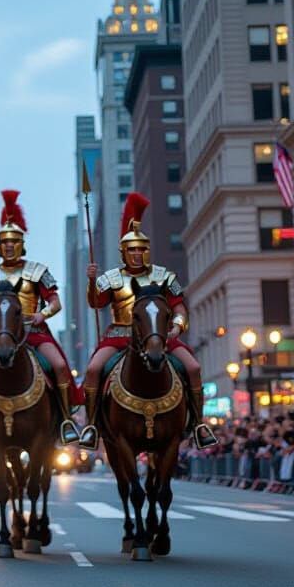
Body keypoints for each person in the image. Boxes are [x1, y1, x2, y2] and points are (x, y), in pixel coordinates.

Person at [78, 192, 217, 451]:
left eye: (141, 249)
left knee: (194, 367)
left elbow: (179, 307)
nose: (137, 254)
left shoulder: (163, 276)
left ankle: (199, 423)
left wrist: (177, 326)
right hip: (119, 336)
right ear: (123, 252)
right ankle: (92, 425)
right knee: (93, 370)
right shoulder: (111, 278)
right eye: (132, 250)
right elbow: (96, 303)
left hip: (160, 336)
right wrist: (91, 281)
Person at [0, 190, 81, 445]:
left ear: (21, 244)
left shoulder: (37, 271)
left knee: (57, 366)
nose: (9, 246)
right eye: (4, 243)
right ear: (0, 246)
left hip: (32, 331)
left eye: (13, 242)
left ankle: (66, 419)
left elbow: (56, 302)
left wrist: (41, 314)